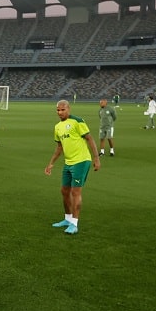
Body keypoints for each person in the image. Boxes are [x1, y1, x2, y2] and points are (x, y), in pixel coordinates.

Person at [44, 100, 101, 235]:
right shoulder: (57, 127)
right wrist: (51, 163)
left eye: (63, 110)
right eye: (58, 110)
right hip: (68, 163)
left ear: (68, 109)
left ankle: (74, 223)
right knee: (64, 191)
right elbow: (59, 147)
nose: (60, 112)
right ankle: (67, 218)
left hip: (81, 161)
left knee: (76, 192)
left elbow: (89, 138)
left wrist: (96, 158)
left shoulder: (77, 121)